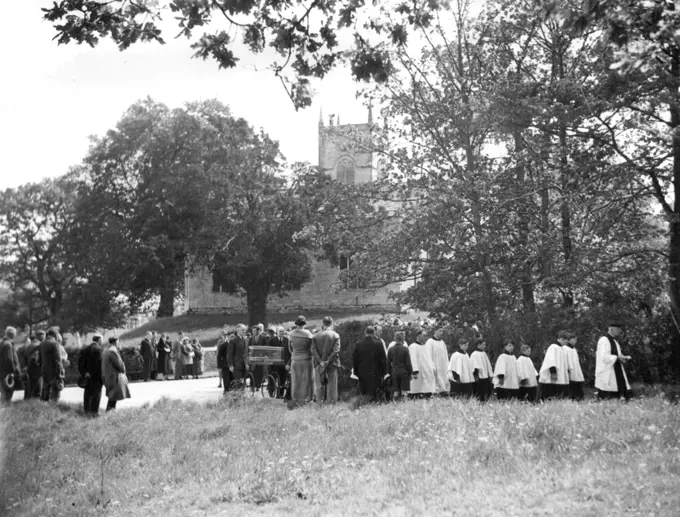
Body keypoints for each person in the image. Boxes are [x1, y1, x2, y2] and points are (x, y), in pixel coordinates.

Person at [595, 321, 632, 400]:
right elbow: (603, 356)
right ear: (611, 329)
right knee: (608, 389)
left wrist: (624, 358)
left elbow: (619, 354)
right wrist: (617, 358)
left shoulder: (615, 342)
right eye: (618, 329)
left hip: (616, 367)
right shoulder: (603, 340)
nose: (620, 331)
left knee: (619, 386)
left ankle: (620, 398)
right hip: (607, 369)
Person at [311, 316, 341, 405]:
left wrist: (320, 361)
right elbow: (336, 350)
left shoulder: (315, 336)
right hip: (332, 363)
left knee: (319, 385)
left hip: (319, 364)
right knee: (332, 385)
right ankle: (331, 404)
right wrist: (328, 361)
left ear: (323, 323)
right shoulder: (335, 335)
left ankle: (319, 404)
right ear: (331, 323)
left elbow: (313, 350)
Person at [352, 326, 387, 401]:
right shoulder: (379, 343)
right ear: (374, 333)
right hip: (375, 371)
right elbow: (383, 359)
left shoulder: (358, 344)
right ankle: (372, 404)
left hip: (362, 371)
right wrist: (384, 372)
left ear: (365, 333)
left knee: (363, 392)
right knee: (374, 392)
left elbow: (355, 359)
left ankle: (363, 404)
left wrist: (356, 372)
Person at [289, 316, 314, 403]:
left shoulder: (291, 334)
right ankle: (307, 398)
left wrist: (294, 354)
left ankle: (295, 398)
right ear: (304, 324)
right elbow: (311, 348)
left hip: (295, 359)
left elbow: (290, 348)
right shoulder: (308, 334)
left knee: (295, 379)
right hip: (306, 359)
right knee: (307, 379)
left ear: (296, 324)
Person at [101, 336, 131, 411]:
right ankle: (109, 413)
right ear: (116, 342)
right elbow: (119, 365)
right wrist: (123, 369)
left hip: (107, 375)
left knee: (112, 396)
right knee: (113, 397)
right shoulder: (113, 351)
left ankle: (110, 412)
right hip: (114, 376)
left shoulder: (106, 350)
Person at [538, 331, 570, 400]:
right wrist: (553, 373)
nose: (567, 341)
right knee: (550, 395)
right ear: (561, 338)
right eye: (566, 339)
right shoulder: (553, 347)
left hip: (560, 376)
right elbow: (551, 361)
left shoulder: (562, 348)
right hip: (552, 376)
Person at [78, 334, 104, 415]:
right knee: (97, 395)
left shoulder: (84, 349)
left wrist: (84, 373)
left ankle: (86, 411)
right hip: (96, 376)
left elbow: (80, 364)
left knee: (87, 394)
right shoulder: (99, 350)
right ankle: (94, 412)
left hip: (87, 376)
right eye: (101, 340)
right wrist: (101, 377)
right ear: (99, 340)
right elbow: (100, 365)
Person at [408, 329, 435, 398]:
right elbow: (412, 360)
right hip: (418, 372)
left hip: (426, 371)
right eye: (424, 336)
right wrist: (414, 371)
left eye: (426, 336)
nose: (426, 338)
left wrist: (432, 367)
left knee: (426, 389)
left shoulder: (425, 346)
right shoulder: (413, 347)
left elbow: (429, 358)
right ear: (419, 336)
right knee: (416, 389)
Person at [386, 331, 413, 401]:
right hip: (404, 372)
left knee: (396, 391)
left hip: (394, 371)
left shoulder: (390, 349)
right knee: (404, 391)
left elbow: (388, 363)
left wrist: (389, 373)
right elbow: (408, 363)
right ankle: (404, 404)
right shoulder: (405, 349)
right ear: (402, 339)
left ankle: (395, 403)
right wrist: (410, 372)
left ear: (395, 339)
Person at [40, 328, 64, 402]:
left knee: (45, 390)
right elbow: (58, 360)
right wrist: (60, 374)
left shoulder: (42, 343)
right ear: (55, 335)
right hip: (54, 371)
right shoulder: (55, 344)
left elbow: (40, 359)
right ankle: (54, 408)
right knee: (55, 392)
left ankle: (45, 408)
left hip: (44, 370)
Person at [426, 328, 450, 397]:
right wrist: (432, 365)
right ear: (435, 331)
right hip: (435, 366)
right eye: (440, 331)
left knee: (444, 380)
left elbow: (446, 355)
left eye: (442, 331)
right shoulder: (430, 342)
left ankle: (444, 392)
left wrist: (447, 365)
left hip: (443, 366)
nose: (441, 332)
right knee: (436, 382)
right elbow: (428, 355)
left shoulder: (442, 342)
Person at [0, 326, 21, 404]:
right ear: (12, 335)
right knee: (8, 395)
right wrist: (12, 372)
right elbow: (9, 360)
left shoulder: (2, 343)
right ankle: (6, 411)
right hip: (8, 374)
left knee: (4, 393)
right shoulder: (8, 344)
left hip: (2, 373)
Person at [22, 331, 44, 399]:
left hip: (30, 370)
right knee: (37, 393)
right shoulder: (38, 345)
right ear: (41, 336)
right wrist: (39, 367)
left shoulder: (30, 345)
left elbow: (25, 358)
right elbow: (34, 359)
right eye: (44, 336)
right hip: (37, 372)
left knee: (30, 391)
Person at [565, 332, 585, 400]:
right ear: (569, 339)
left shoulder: (574, 349)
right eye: (574, 339)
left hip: (576, 369)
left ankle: (579, 398)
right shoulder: (565, 348)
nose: (575, 341)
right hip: (569, 369)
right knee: (570, 385)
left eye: (576, 339)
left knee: (577, 384)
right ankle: (571, 398)